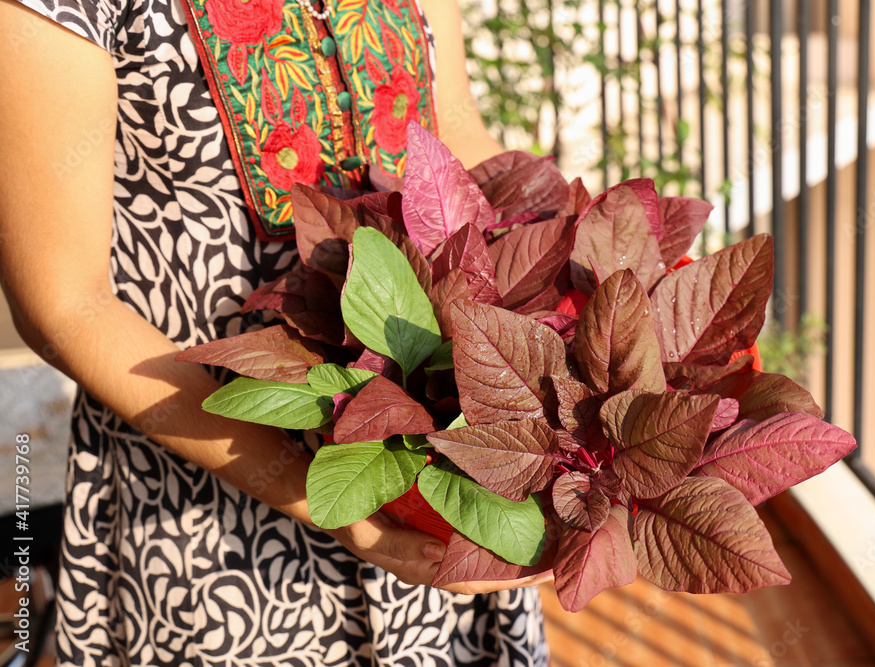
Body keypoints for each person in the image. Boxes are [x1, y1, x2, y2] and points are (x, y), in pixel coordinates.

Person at [0, 0, 550, 663]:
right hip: (209, 528)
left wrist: (593, 272)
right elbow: (62, 302)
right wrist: (320, 498)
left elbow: (454, 137)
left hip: (433, 474)